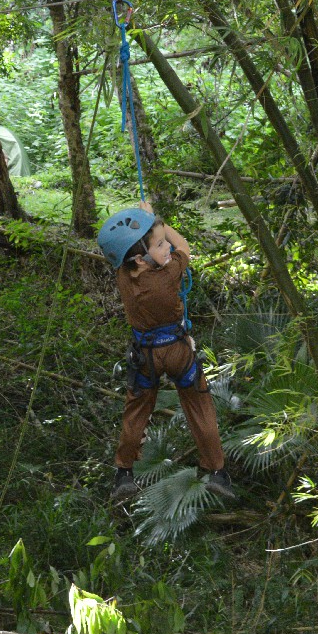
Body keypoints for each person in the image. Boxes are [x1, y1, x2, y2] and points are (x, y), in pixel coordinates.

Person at [96, 200, 235, 501]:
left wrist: (148, 226)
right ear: (140, 258)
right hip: (177, 352)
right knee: (199, 404)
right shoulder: (169, 273)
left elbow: (127, 254)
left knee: (136, 411)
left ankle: (124, 473)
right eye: (159, 245)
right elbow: (183, 246)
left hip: (145, 356)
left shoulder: (123, 275)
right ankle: (217, 471)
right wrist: (153, 220)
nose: (167, 248)